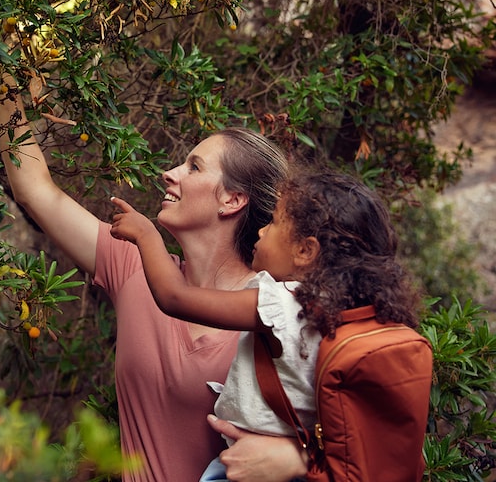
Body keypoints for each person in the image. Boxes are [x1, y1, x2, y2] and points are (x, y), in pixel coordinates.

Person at [0, 75, 308, 482]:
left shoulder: (272, 312)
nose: (169, 173)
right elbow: (35, 189)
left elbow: (341, 437)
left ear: (232, 199)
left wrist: (296, 458)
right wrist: (0, 72)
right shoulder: (133, 265)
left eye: (193, 167)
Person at [109, 169, 425, 481]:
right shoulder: (341, 313)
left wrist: (146, 235)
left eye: (273, 222)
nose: (261, 231)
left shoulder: (286, 304)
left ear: (305, 251)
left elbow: (174, 298)